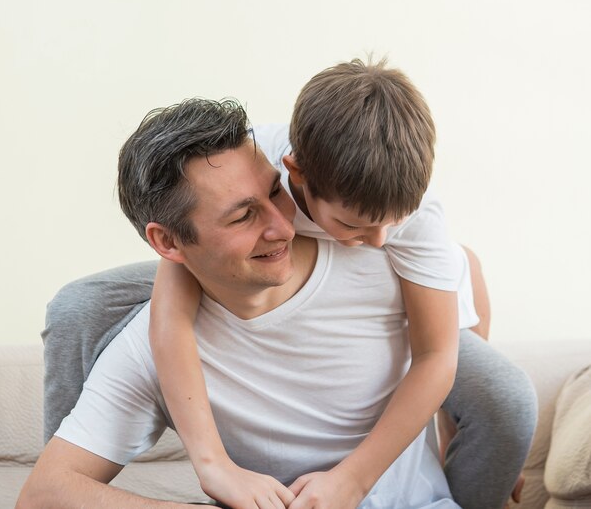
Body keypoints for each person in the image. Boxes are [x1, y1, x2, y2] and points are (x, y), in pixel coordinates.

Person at [42, 60, 538, 509]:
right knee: (80, 304)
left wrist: (390, 461)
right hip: (239, 264)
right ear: (295, 170)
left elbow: (451, 311)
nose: (377, 240)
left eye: (393, 225)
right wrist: (212, 465)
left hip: (407, 298)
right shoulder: (255, 157)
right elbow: (172, 308)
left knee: (500, 385)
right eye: (356, 225)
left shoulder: (409, 228)